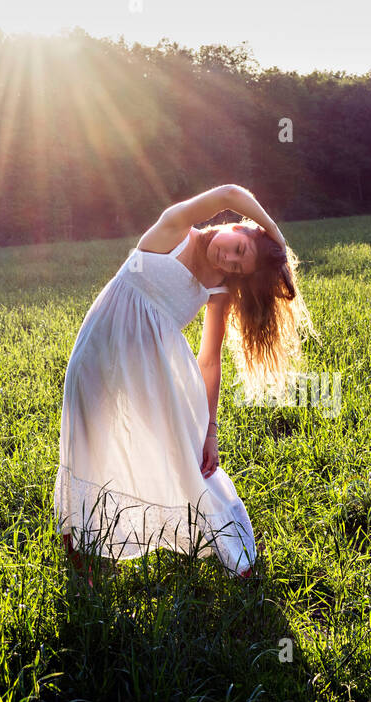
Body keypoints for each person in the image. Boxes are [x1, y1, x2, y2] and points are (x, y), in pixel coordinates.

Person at [54, 184, 315, 582]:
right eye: (238, 249)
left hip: (150, 369)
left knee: (188, 454)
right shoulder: (176, 228)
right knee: (88, 447)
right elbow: (230, 191)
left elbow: (209, 360)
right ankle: (81, 553)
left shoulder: (220, 285)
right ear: (239, 229)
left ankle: (231, 548)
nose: (228, 258)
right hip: (98, 352)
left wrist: (210, 431)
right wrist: (273, 230)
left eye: (238, 266)